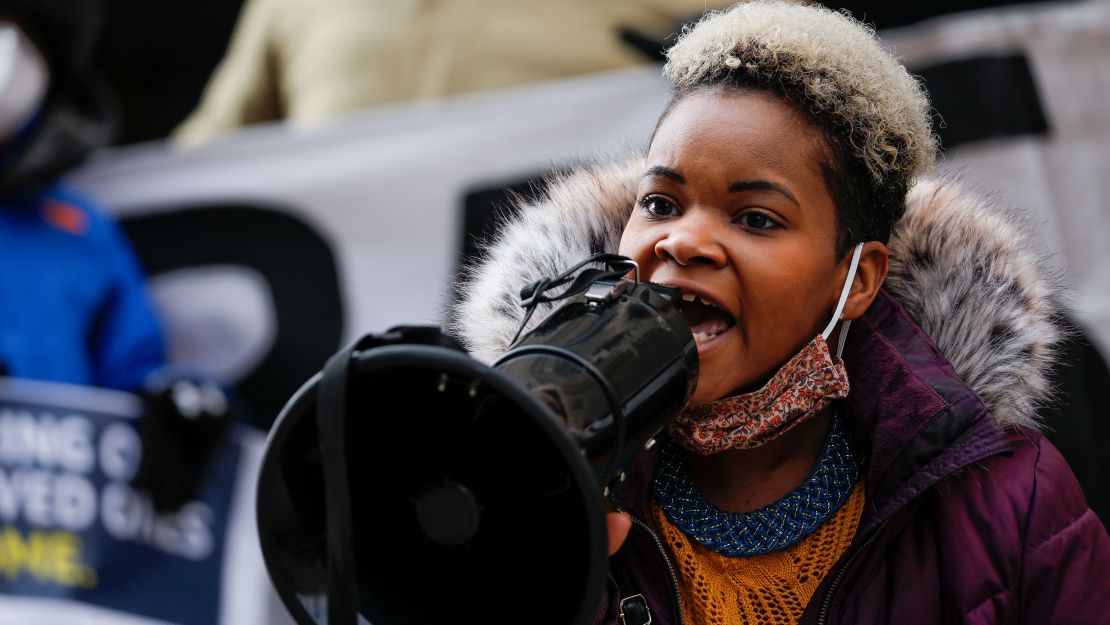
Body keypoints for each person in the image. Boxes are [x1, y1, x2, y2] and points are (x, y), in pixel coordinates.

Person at [450, 1, 1110, 623]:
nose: (681, 239)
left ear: (856, 278)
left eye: (756, 218)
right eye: (660, 204)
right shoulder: (529, 485)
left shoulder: (1014, 504)